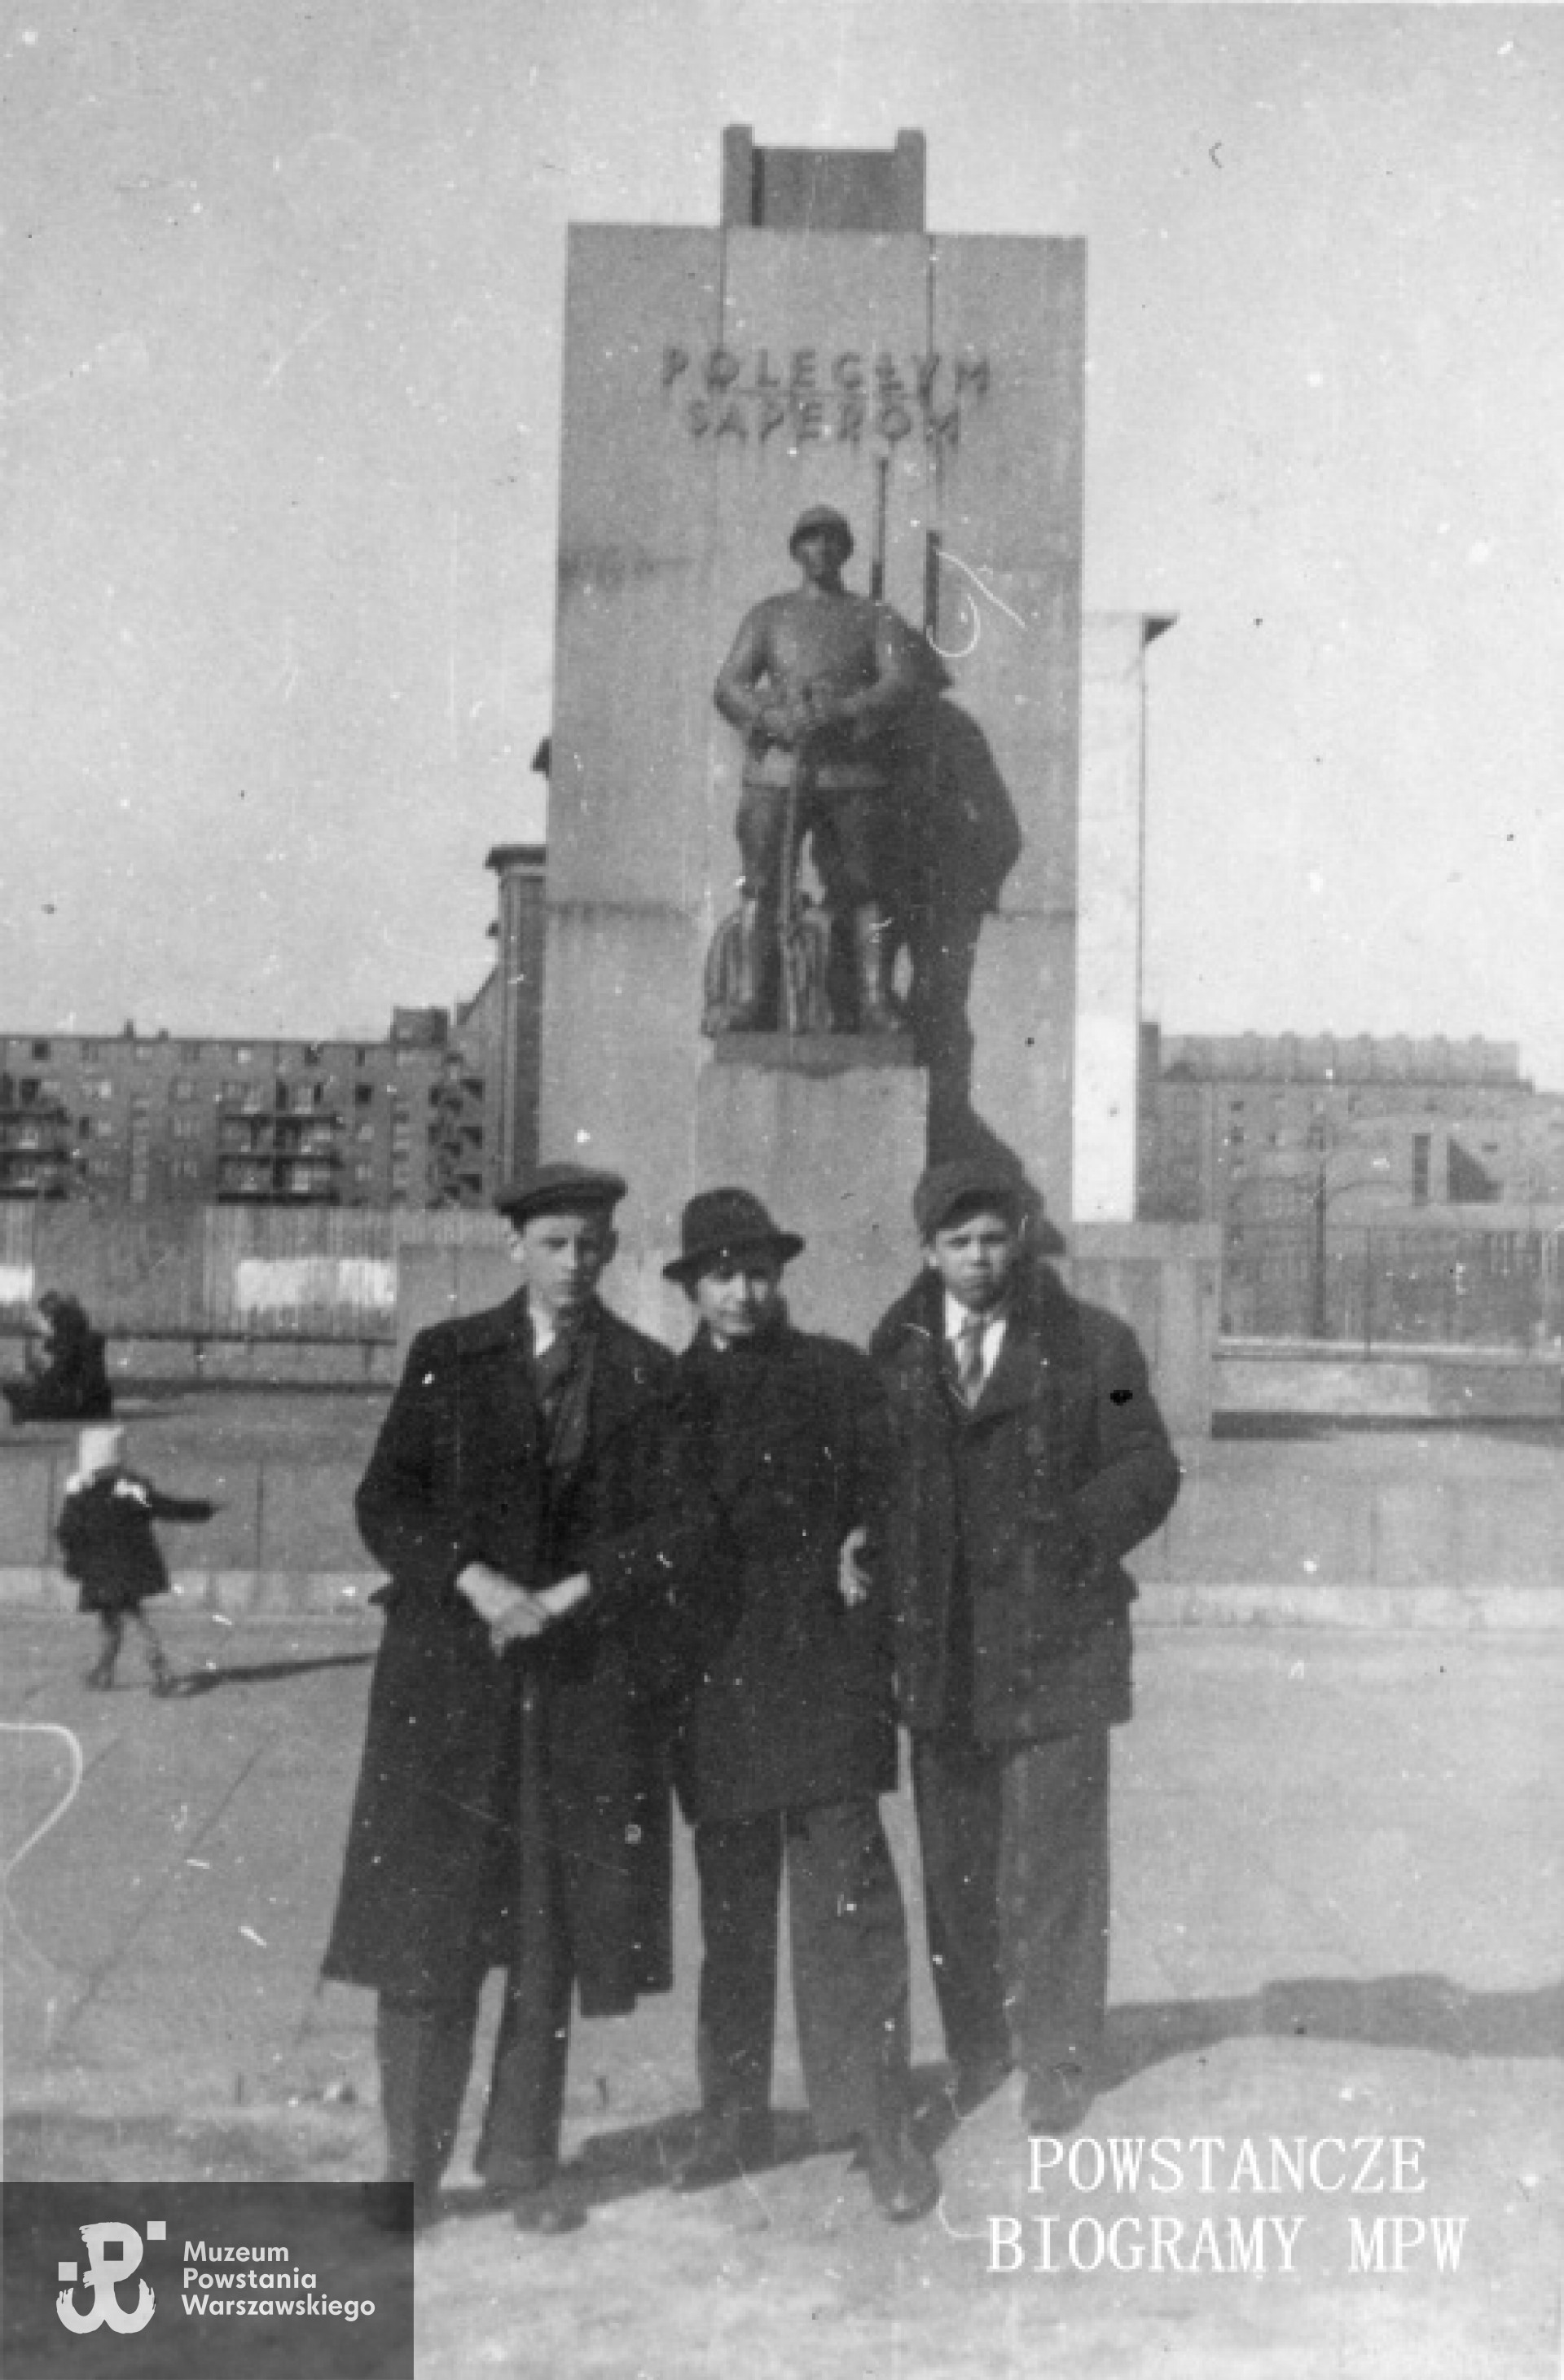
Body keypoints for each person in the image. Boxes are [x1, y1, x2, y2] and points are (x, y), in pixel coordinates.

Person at [321, 1163, 692, 2237]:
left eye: (593, 1245)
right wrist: (475, 1579)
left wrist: (573, 1592)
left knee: (546, 1933)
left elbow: (674, 1527)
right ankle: (415, 2172)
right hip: (450, 1684)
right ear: (517, 1248)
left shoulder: (645, 1374)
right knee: (430, 1931)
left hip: (576, 1692)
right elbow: (385, 1499)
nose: (575, 1263)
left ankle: (523, 2161)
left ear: (613, 1251)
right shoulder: (450, 1358)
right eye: (556, 1243)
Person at [869, 1160, 1181, 2138]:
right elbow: (876, 1478)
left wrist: (1070, 1539)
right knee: (958, 1869)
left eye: (994, 1237)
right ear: (928, 1250)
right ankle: (979, 2046)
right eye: (958, 1241)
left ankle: (1059, 2055)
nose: (978, 1257)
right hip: (944, 1653)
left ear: (1022, 1237)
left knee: (1055, 1865)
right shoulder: (898, 1346)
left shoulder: (1096, 1341)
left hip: (1059, 1645)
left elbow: (1150, 1464)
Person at [657, 1187, 938, 2224]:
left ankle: (878, 2122)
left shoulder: (835, 1375)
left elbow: (895, 1489)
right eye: (721, 1273)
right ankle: (732, 2114)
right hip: (720, 1681)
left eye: (759, 1271)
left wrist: (865, 1536)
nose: (742, 1291)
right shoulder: (666, 1397)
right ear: (691, 1285)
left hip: (826, 1671)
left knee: (850, 1907)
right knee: (733, 1920)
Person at [713, 505, 921, 1033]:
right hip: (779, 769)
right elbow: (729, 685)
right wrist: (770, 715)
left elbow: (900, 683)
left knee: (866, 887)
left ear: (846, 551)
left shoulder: (876, 617)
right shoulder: (769, 615)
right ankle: (748, 998)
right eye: (811, 540)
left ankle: (875, 999)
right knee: (761, 884)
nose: (822, 551)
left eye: (832, 541)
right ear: (796, 550)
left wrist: (845, 708)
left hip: (852, 771)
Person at [57, 1424, 215, 1694]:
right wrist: (204, 1509)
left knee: (111, 1620)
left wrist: (76, 1561)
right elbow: (167, 1507)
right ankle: (148, 1670)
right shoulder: (131, 1489)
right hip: (129, 1567)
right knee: (133, 1617)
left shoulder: (80, 1494)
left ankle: (109, 1672)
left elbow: (67, 1532)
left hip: (99, 1570)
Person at [5, 1291, 112, 1424]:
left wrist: (37, 1388)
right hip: (97, 1402)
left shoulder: (68, 1340)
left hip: (82, 1404)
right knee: (20, 1393)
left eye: (46, 1317)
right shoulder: (83, 1338)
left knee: (16, 1395)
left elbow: (60, 1372)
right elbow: (63, 1372)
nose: (45, 1322)